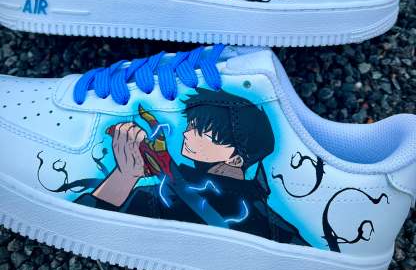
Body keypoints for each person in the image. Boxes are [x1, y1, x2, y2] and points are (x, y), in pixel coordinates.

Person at [75, 88, 309, 246]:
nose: (186, 134)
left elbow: (90, 226)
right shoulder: (175, 189)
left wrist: (123, 178)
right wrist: (126, 175)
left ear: (236, 159)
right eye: (190, 125)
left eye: (201, 130)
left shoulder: (166, 197)